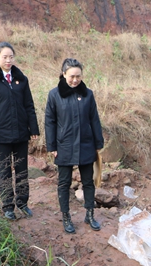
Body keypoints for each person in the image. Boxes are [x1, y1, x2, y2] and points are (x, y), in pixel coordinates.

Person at [0, 41, 39, 221]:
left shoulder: (21, 79)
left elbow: (29, 105)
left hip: (21, 132)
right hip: (1, 134)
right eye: (4, 57)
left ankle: (22, 202)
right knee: (5, 171)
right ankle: (8, 206)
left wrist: (33, 128)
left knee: (22, 169)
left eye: (11, 57)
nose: (8, 60)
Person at [45, 58, 104, 234]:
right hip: (64, 144)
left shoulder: (88, 94)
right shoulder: (54, 95)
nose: (75, 80)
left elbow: (94, 119)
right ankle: (66, 216)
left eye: (78, 76)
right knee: (64, 183)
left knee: (88, 181)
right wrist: (52, 145)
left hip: (86, 144)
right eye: (71, 76)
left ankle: (90, 214)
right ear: (63, 74)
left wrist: (98, 143)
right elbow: (50, 121)